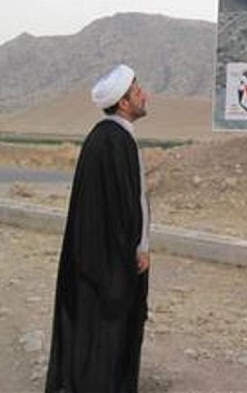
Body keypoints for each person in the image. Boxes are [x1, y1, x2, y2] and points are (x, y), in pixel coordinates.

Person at [46, 64, 151, 393]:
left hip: (93, 256)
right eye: (137, 91)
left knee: (91, 322)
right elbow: (131, 204)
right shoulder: (118, 142)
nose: (145, 95)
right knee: (112, 323)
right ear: (123, 103)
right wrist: (139, 248)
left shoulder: (100, 137)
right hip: (114, 257)